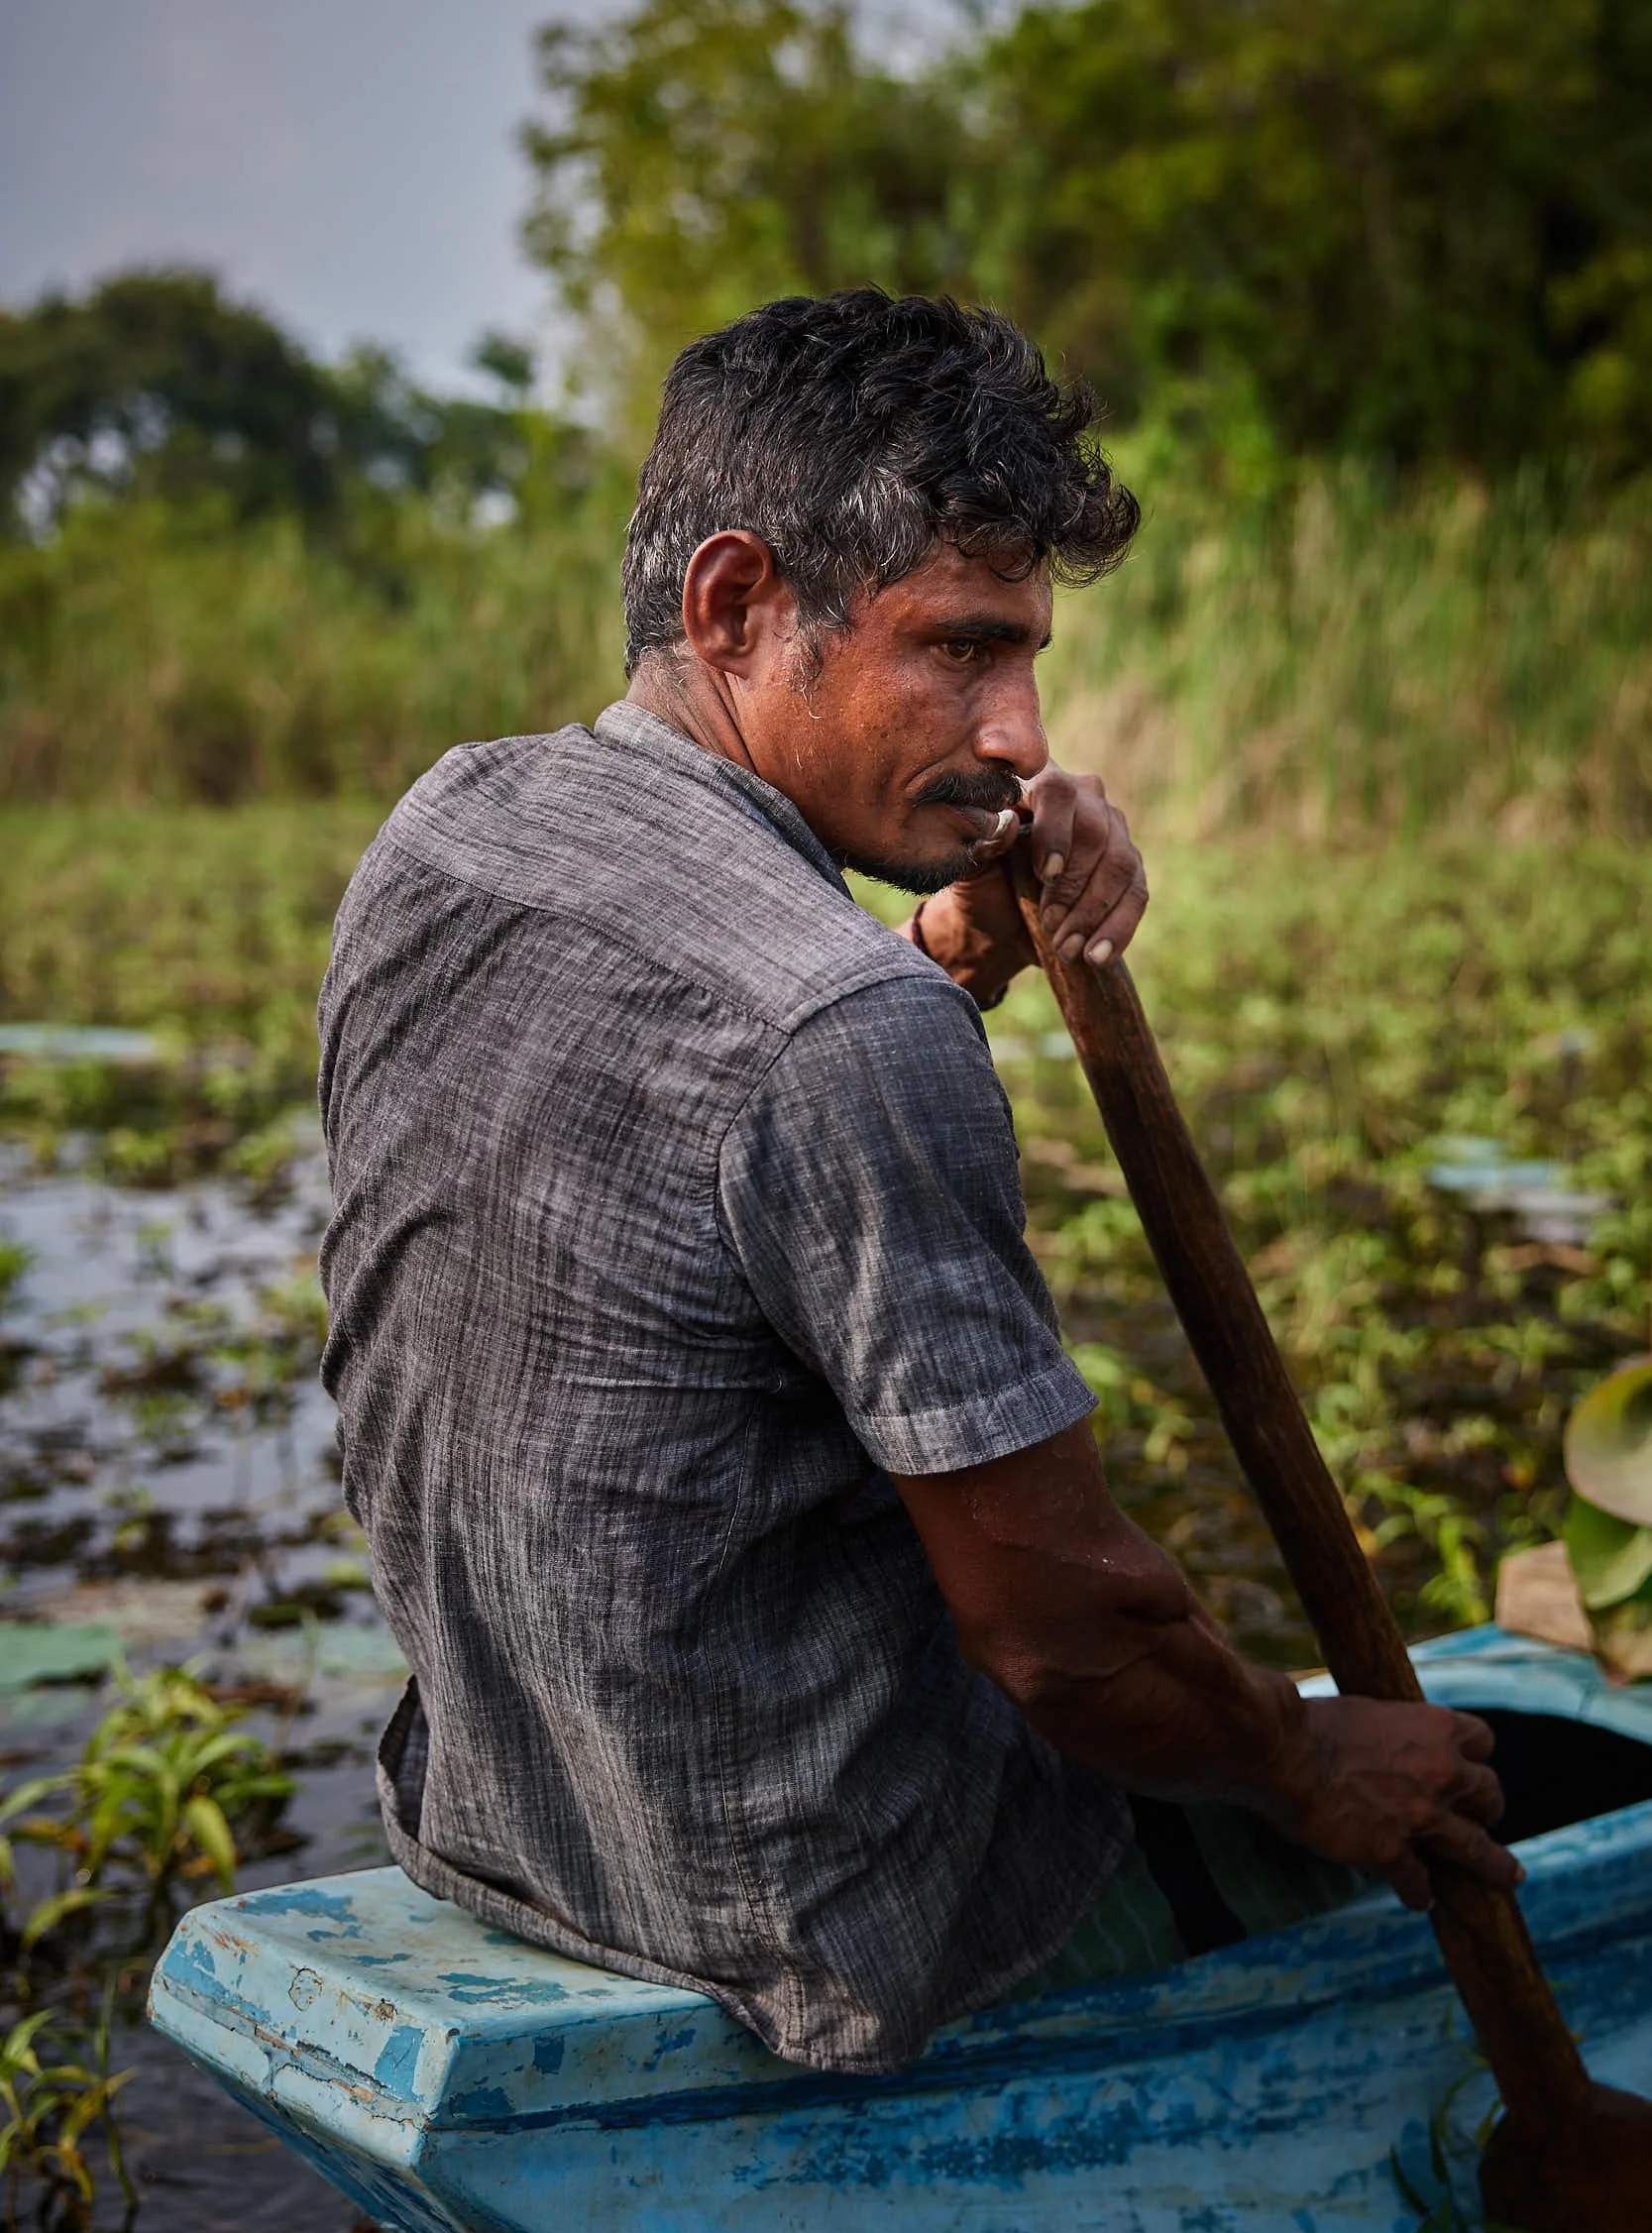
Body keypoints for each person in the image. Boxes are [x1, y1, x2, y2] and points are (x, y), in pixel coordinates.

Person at [317, 290, 1517, 2076]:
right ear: (734, 607)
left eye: (1026, 659)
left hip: (497, 1810)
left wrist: (948, 942)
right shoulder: (839, 1029)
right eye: (958, 649)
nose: (1022, 733)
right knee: (1404, 1788)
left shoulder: (451, 827)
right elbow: (1060, 1642)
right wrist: (1297, 1758)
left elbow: (712, 1120)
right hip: (809, 1910)